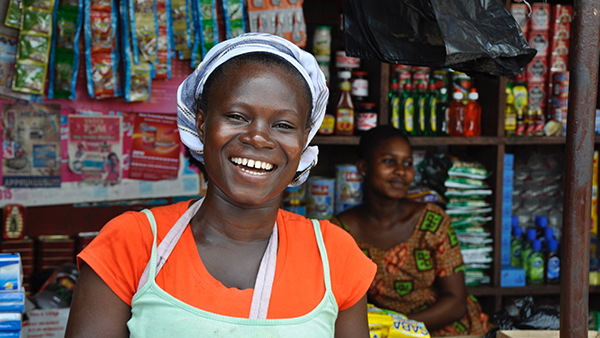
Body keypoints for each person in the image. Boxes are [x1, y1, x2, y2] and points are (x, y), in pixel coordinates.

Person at [65, 33, 376, 338]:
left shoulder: (334, 256)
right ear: (201, 123)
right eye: (237, 116)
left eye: (283, 125)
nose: (258, 137)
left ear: (304, 138)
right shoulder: (133, 244)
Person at [331, 125, 488, 337]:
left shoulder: (432, 221)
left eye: (408, 163)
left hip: (447, 331)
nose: (401, 171)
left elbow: (456, 302)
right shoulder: (340, 231)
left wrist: (399, 328)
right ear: (363, 167)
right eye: (389, 161)